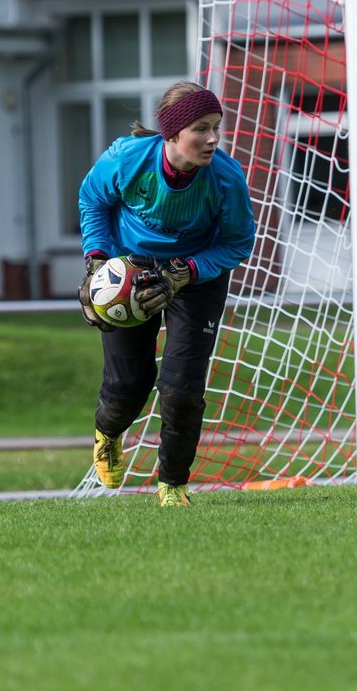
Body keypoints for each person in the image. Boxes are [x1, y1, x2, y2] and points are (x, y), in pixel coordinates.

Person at [76, 81, 256, 507]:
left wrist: (187, 272)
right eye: (201, 129)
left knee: (182, 389)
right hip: (128, 272)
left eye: (216, 127)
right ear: (171, 133)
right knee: (128, 385)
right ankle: (107, 434)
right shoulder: (127, 158)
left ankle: (173, 486)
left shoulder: (226, 179)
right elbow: (92, 200)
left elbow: (237, 243)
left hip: (195, 278)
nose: (213, 138)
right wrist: (98, 261)